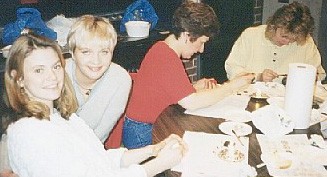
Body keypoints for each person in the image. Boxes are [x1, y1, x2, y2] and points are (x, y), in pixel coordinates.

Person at [4, 33, 186, 177]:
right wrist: (158, 164)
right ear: (18, 79)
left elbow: (99, 160)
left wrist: (153, 150)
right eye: (38, 70)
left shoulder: (61, 117)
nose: (52, 77)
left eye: (56, 67)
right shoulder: (29, 133)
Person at [122, 1, 255, 149]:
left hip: (141, 126)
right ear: (187, 35)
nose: (202, 49)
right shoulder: (166, 58)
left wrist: (192, 87)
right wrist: (232, 86)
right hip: (143, 132)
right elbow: (192, 102)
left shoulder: (162, 49)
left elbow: (164, 89)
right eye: (201, 42)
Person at [66, 15, 132, 144]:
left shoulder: (120, 80)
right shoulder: (57, 75)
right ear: (72, 53)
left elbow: (98, 137)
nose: (96, 61)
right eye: (86, 52)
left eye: (104, 52)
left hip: (89, 151)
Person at [225, 1, 325, 82]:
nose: (287, 42)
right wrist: (258, 77)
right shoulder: (251, 35)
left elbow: (319, 74)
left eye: (293, 40)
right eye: (284, 36)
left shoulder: (307, 42)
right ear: (273, 26)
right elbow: (232, 68)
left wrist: (305, 77)